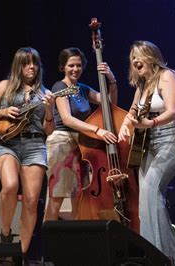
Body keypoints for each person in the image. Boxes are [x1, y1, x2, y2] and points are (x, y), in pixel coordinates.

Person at [118, 40, 175, 264]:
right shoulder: (143, 85)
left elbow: (172, 110)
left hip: (173, 139)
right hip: (149, 143)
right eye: (132, 58)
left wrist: (151, 123)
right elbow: (132, 111)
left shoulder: (167, 76)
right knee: (145, 199)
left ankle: (162, 256)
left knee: (151, 190)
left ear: (151, 57)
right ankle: (160, 256)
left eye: (139, 55)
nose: (135, 61)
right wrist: (125, 124)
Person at [0, 47, 55, 257]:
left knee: (31, 201)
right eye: (26, 63)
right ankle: (5, 232)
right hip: (7, 143)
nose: (31, 66)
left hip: (35, 146)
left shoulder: (45, 93)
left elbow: (48, 130)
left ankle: (20, 253)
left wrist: (49, 110)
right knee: (10, 186)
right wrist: (4, 111)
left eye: (35, 63)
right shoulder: (5, 86)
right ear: (18, 66)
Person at [43, 47, 118, 222]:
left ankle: (77, 242)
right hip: (62, 141)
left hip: (82, 144)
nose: (75, 69)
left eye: (78, 65)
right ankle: (47, 242)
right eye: (71, 65)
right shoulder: (59, 87)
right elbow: (67, 119)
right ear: (63, 67)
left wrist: (111, 79)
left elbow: (109, 103)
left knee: (80, 198)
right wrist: (97, 130)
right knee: (57, 197)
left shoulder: (82, 88)